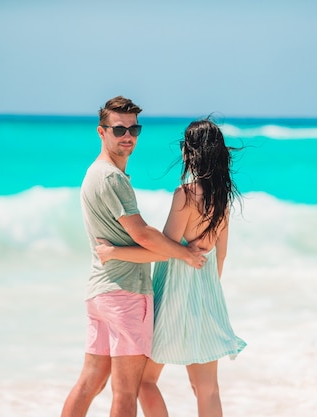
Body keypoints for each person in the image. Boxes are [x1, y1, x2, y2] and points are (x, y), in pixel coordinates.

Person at [60, 96, 207, 417]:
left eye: (134, 129)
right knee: (125, 391)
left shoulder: (96, 173)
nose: (127, 136)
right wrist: (184, 253)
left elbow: (131, 240)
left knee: (89, 382)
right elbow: (142, 233)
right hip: (125, 295)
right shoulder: (111, 177)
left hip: (100, 292)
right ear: (102, 132)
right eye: (119, 129)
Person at [96, 118, 247, 417]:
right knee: (207, 389)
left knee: (143, 381)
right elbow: (222, 255)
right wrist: (207, 298)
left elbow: (164, 249)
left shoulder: (186, 195)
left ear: (191, 153)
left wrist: (114, 252)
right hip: (207, 295)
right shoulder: (222, 200)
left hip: (173, 296)